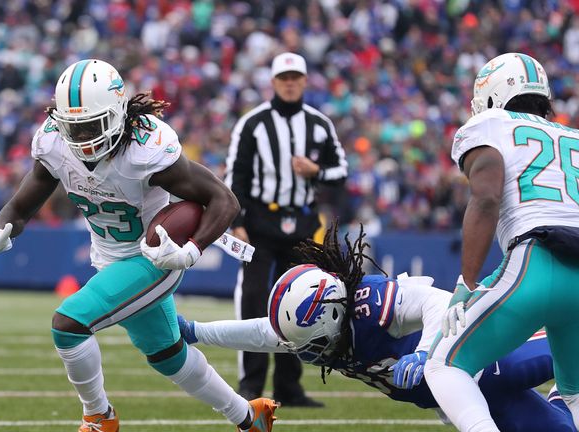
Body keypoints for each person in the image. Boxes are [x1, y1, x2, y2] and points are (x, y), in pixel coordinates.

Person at [0, 59, 279, 432]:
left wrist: (191, 250)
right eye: (74, 127)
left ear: (117, 114)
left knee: (69, 324)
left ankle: (99, 417)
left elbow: (224, 200)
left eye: (91, 125)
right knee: (168, 355)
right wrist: (2, 229)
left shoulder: (145, 149)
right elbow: (21, 205)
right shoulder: (54, 141)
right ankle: (250, 418)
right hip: (108, 259)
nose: (82, 138)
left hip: (154, 257)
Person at [178, 223, 576, 431]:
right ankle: (563, 398)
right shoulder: (317, 326)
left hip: (485, 361)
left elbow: (436, 302)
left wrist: (425, 355)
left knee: (563, 355)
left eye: (311, 345)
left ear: (333, 317)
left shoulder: (370, 303)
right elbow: (266, 334)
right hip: (461, 396)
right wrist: (197, 331)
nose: (309, 354)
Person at [423, 52, 579, 432]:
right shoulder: (574, 136)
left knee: (443, 364)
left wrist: (467, 281)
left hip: (536, 260)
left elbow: (487, 196)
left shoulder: (489, 123)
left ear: (490, 96)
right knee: (574, 392)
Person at [224, 51, 347, 407]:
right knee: (253, 299)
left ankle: (289, 387)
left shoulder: (320, 124)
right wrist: (237, 221)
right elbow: (237, 177)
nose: (290, 83)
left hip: (304, 224)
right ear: (274, 82)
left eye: (296, 78)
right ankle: (251, 384)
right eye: (284, 78)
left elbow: (341, 172)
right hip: (261, 222)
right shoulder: (253, 124)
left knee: (304, 303)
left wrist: (315, 171)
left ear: (305, 81)